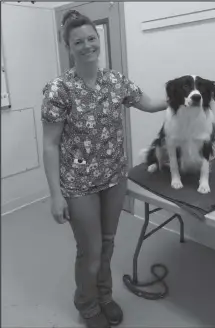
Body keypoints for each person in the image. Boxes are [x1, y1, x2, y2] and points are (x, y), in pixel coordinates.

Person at [41, 9, 167, 328]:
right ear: (68, 47)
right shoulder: (59, 90)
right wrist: (56, 195)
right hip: (78, 185)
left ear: (99, 41)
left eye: (91, 39)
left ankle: (105, 295)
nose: (87, 46)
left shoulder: (115, 81)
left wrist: (185, 95)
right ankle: (86, 303)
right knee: (91, 249)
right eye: (78, 41)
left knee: (108, 244)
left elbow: (149, 103)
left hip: (113, 179)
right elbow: (50, 144)